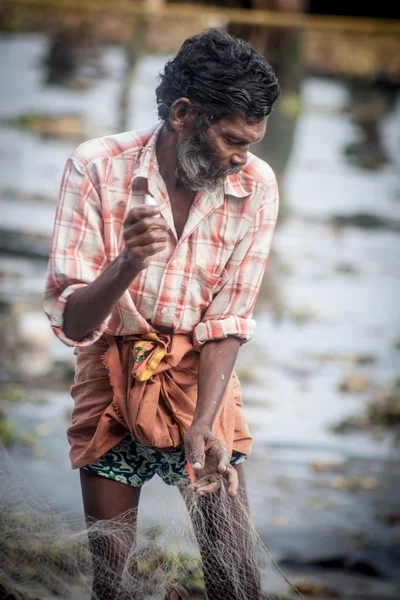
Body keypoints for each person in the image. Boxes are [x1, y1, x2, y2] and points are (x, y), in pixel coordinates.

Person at [43, 28, 280, 600]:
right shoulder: (97, 166)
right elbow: (74, 325)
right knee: (115, 580)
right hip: (110, 373)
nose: (241, 158)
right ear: (182, 113)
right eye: (230, 140)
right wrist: (127, 262)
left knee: (234, 577)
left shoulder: (255, 185)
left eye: (251, 142)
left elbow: (228, 319)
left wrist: (204, 421)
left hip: (201, 373)